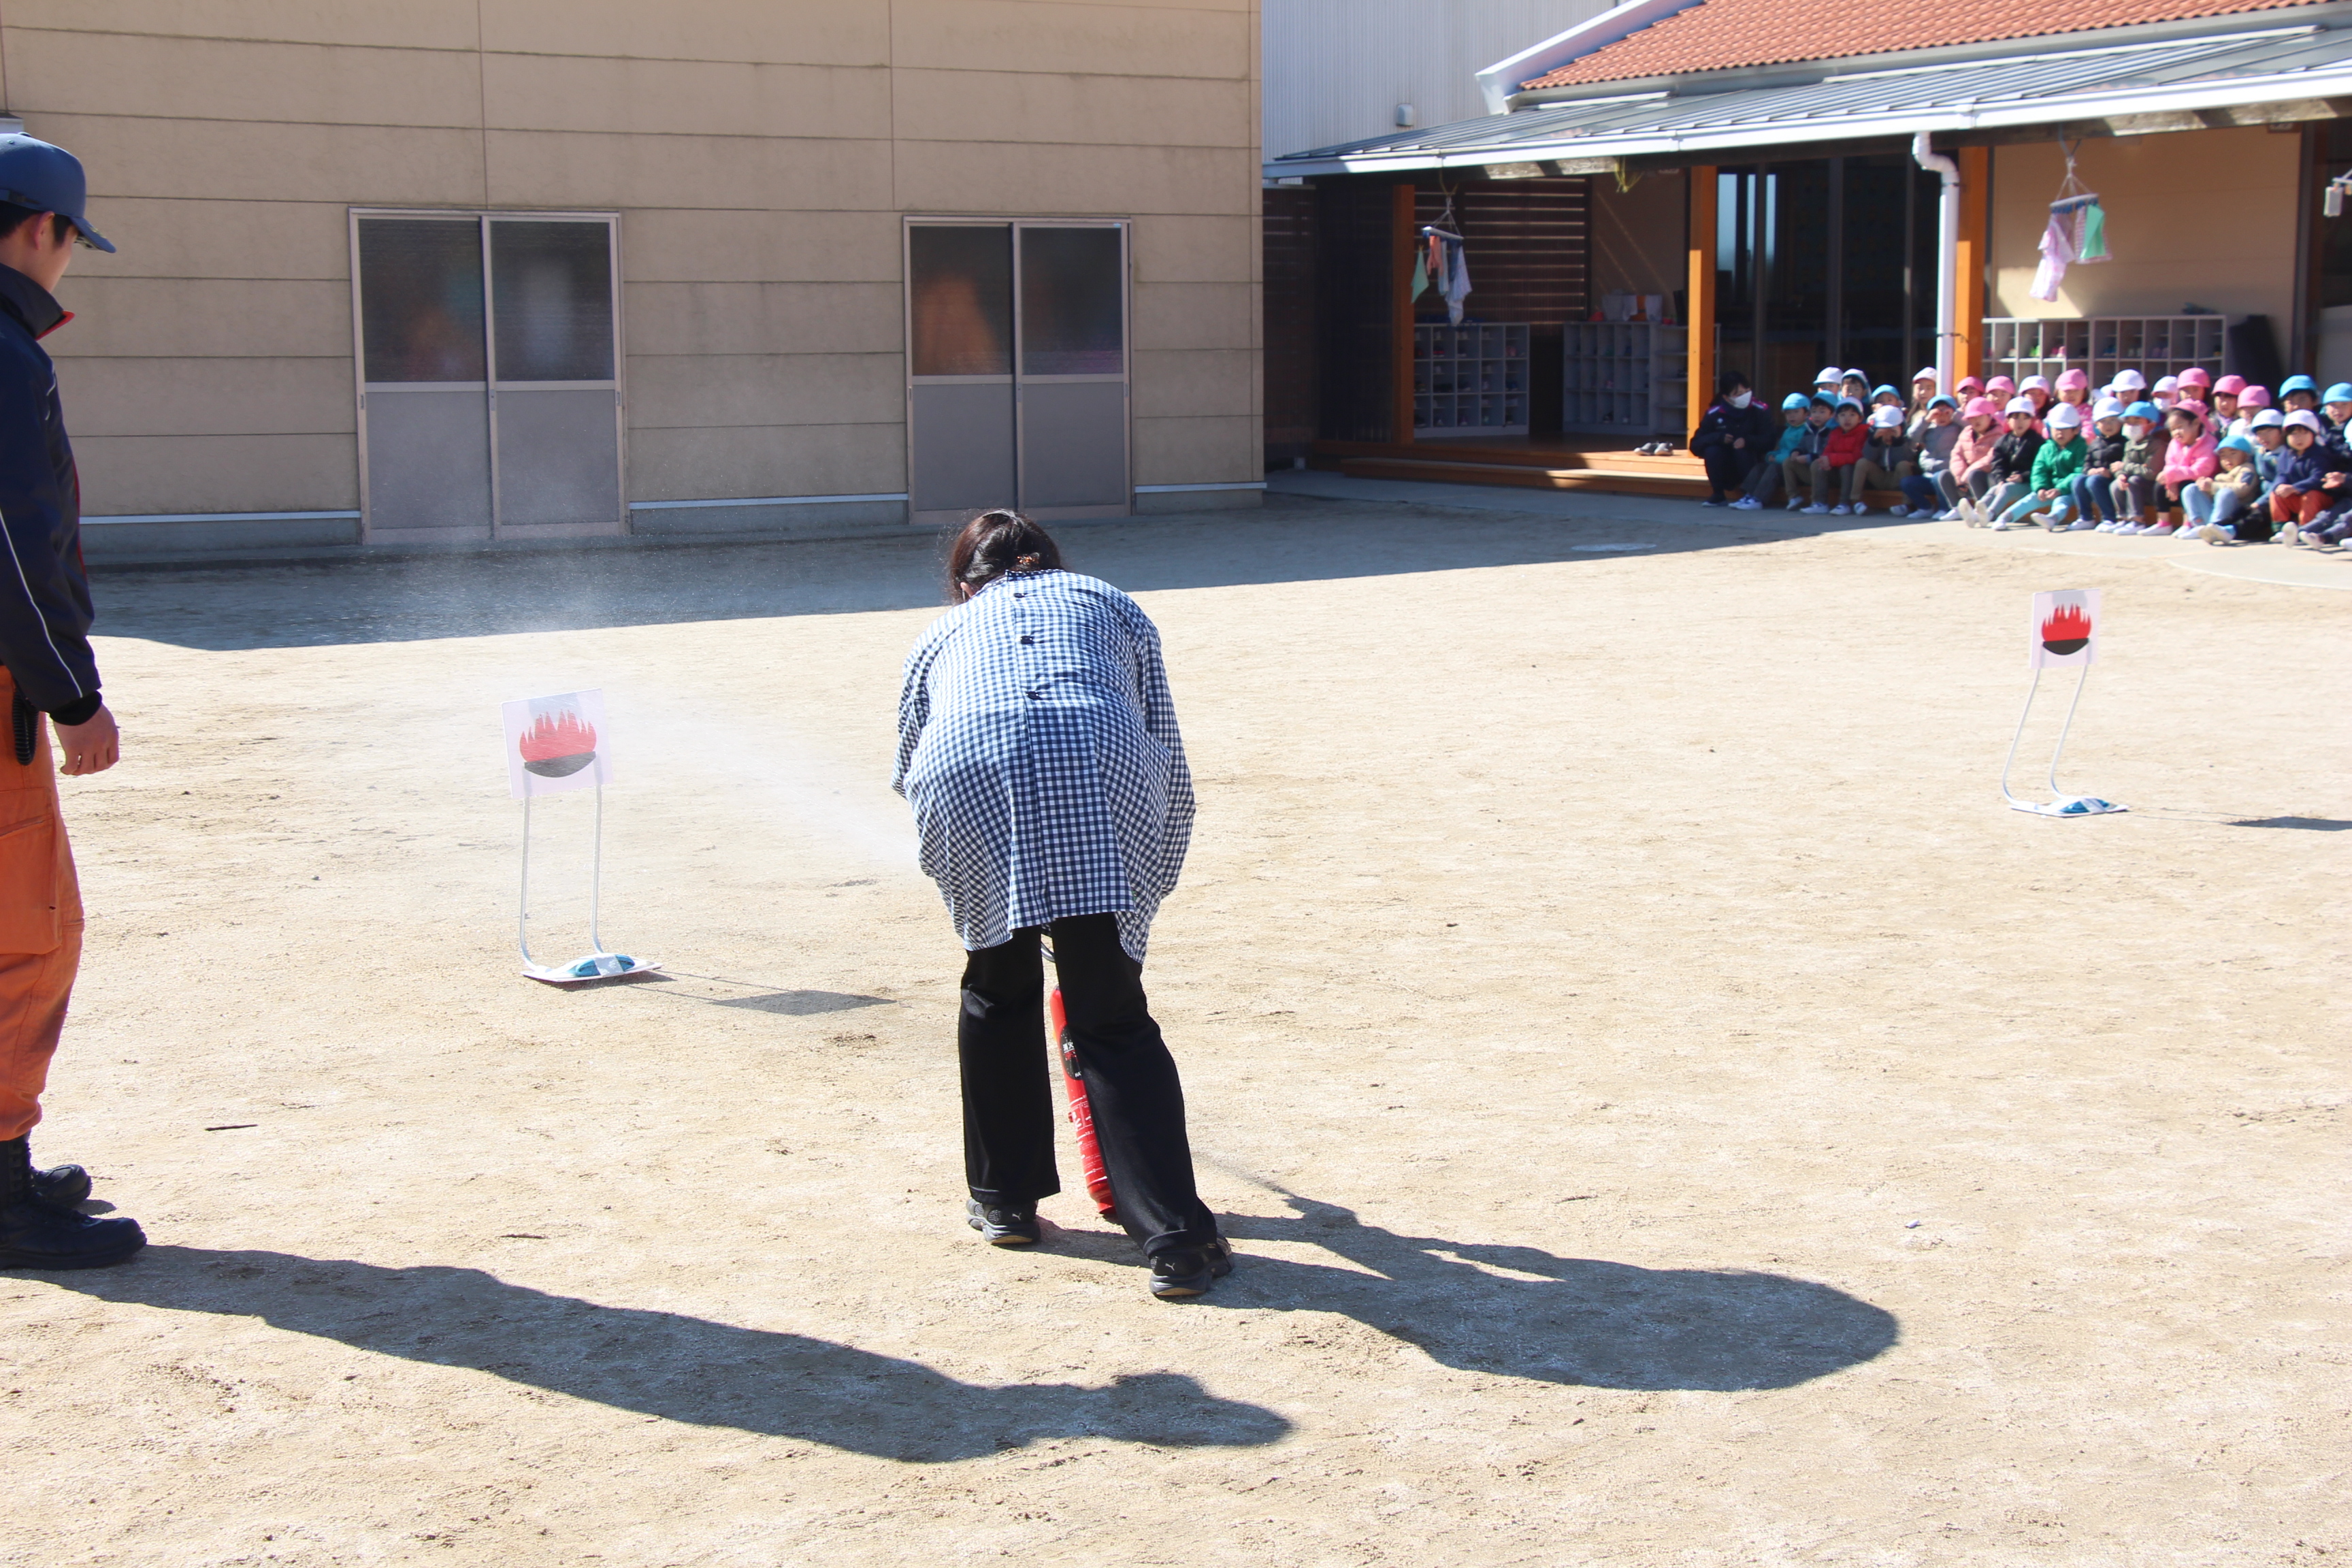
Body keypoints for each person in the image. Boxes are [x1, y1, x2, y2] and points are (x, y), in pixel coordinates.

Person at [892, 510, 1228, 1301]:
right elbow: (1159, 738)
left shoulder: (940, 634)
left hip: (964, 773)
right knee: (1108, 1011)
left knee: (995, 987)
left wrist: (985, 874)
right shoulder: (1108, 601)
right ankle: (1174, 1240)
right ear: (1050, 563)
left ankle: (1003, 1202)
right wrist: (1132, 884)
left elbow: (909, 764)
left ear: (963, 584)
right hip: (1096, 758)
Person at [0, 136, 144, 1271]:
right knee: (26, 936)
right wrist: (71, 694)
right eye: (68, 241)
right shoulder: (6, 355)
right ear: (41, 228)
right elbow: (13, 541)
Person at [1689, 370, 1774, 507]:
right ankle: (1718, 494)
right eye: (1738, 394)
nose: (1744, 396)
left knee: (1742, 450)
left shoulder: (1760, 410)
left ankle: (1750, 494)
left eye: (1747, 391)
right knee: (1712, 451)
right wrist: (1718, 437)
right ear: (1727, 398)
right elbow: (1695, 445)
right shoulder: (1714, 413)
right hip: (1726, 465)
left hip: (1751, 463)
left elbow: (1769, 440)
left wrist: (1748, 441)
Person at [1998, 402, 2085, 530]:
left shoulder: (2081, 447)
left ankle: (2053, 519)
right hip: (2050, 489)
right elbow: (2039, 470)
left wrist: (2060, 489)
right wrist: (2041, 488)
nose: (2060, 433)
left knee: (2061, 501)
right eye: (2056, 429)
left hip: (2070, 491)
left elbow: (2079, 472)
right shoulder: (2046, 448)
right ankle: (2004, 518)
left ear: (2076, 430)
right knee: (2031, 499)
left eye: (2065, 429)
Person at [2266, 409, 2338, 546]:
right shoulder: (2286, 454)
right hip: (2297, 497)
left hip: (2320, 499)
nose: (2299, 438)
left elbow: (2318, 479)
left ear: (2314, 434)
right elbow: (2282, 474)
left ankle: (2305, 529)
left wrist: (2294, 488)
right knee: (2275, 493)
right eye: (2294, 434)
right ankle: (2281, 530)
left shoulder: (2320, 455)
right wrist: (2281, 486)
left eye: (2304, 433)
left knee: (2312, 495)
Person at [1972, 397, 2046, 527]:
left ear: (2032, 420)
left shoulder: (2037, 441)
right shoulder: (2003, 441)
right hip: (2010, 482)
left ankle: (1990, 514)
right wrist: (2001, 480)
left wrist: (2023, 477)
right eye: (2016, 417)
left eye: (2026, 418)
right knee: (1995, 489)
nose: (2020, 422)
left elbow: (2041, 468)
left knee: (2007, 488)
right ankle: (1976, 514)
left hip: (2030, 484)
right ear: (2008, 420)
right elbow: (1998, 464)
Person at [1732, 393, 1812, 510]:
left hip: (1795, 468)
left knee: (1774, 468)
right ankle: (1748, 495)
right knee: (1760, 467)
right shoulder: (1788, 431)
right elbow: (1782, 449)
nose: (1792, 416)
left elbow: (1798, 451)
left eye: (1796, 412)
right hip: (1782, 462)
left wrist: (1777, 459)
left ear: (1807, 413)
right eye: (1788, 413)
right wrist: (1772, 455)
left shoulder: (1807, 430)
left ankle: (1759, 499)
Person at [2065, 397, 2127, 533]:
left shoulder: (2125, 442)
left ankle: (2109, 518)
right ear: (2097, 425)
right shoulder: (2095, 444)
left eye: (2113, 420)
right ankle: (2086, 517)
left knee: (2094, 481)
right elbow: (2086, 465)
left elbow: (2125, 462)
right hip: (2097, 477)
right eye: (2103, 421)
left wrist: (2110, 472)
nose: (2108, 425)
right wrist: (2091, 471)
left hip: (2113, 479)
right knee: (2078, 480)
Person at [2185, 434, 2261, 544]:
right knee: (2191, 489)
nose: (2228, 459)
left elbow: (2243, 488)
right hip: (2217, 512)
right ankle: (2200, 526)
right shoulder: (2222, 474)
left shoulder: (2247, 469)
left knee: (2225, 493)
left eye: (2233, 453)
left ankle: (2216, 527)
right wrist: (2204, 486)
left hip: (2236, 513)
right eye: (2223, 456)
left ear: (2246, 455)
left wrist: (2213, 486)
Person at [2102, 401, 2163, 532]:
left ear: (2151, 424)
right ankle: (2124, 518)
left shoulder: (2157, 445)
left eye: (2137, 421)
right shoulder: (2130, 444)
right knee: (2116, 484)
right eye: (2128, 422)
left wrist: (2125, 467)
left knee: (2134, 481)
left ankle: (2138, 520)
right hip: (2135, 487)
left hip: (2152, 489)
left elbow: (2150, 472)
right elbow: (2122, 467)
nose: (2131, 426)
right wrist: (2121, 475)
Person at [1941, 396, 2005, 519]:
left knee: (1975, 475)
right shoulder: (1966, 433)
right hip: (1966, 477)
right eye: (1972, 418)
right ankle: (1957, 508)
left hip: (1988, 476)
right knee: (1945, 475)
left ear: (1990, 416)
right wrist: (1959, 477)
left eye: (1980, 417)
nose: (1976, 421)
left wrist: (1967, 474)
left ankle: (1983, 509)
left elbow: (1991, 458)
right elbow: (1957, 455)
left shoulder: (1999, 434)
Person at [1803, 397, 1868, 514]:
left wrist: (1832, 459)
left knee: (1847, 467)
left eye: (1852, 415)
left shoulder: (1863, 432)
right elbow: (1827, 451)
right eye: (1843, 415)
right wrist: (1825, 460)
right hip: (1835, 472)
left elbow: (1857, 456)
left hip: (1853, 475)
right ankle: (1820, 502)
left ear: (1860, 418)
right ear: (1837, 418)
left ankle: (1845, 504)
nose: (1847, 419)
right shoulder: (1835, 433)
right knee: (1818, 464)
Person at [1852, 406, 1918, 515]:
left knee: (1904, 465)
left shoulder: (1907, 439)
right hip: (1880, 476)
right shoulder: (1875, 437)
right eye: (1884, 430)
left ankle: (1907, 505)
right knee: (1862, 462)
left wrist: (1898, 441)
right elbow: (1869, 457)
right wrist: (1875, 440)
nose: (1888, 434)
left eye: (1892, 430)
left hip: (1896, 478)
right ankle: (1856, 501)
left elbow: (1905, 459)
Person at [1903, 395, 1959, 517]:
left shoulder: (1957, 428)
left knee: (1940, 477)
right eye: (1938, 413)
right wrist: (1927, 420)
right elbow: (1912, 435)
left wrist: (1955, 416)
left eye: (1946, 413)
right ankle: (1925, 508)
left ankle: (1944, 508)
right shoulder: (1928, 428)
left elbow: (1970, 427)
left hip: (1947, 476)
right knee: (1907, 482)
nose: (1942, 417)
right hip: (1929, 475)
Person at [1778, 393, 1835, 510]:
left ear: (1832, 414)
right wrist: (1797, 451)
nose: (1817, 415)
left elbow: (1826, 453)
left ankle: (1819, 503)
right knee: (1789, 461)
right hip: (1811, 473)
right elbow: (1802, 445)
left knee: (1817, 464)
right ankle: (1794, 497)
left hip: (1830, 473)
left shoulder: (1833, 431)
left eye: (1822, 412)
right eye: (1814, 412)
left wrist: (1808, 458)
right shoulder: (1809, 429)